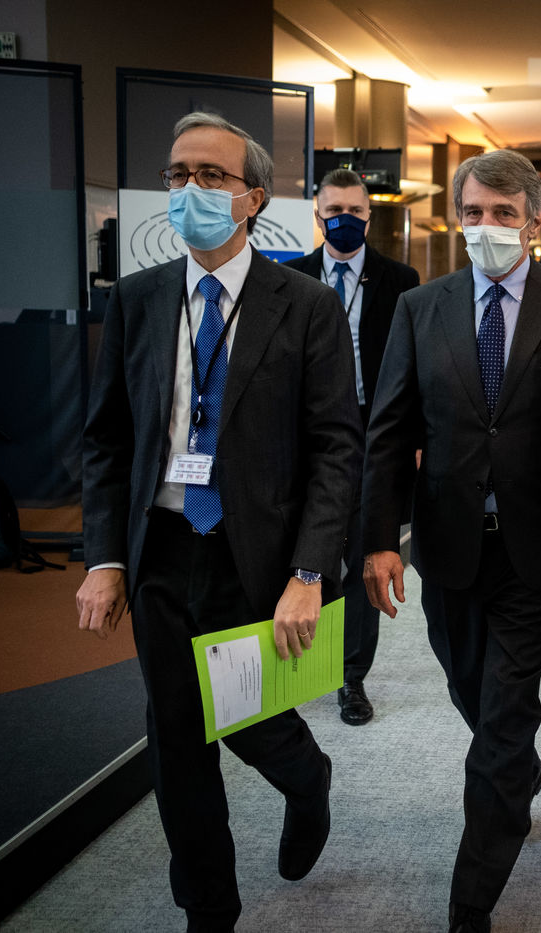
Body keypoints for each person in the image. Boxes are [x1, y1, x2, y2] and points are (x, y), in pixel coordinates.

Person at [76, 111, 361, 930]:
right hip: (162, 549)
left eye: (211, 175)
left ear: (253, 198)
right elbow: (108, 440)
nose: (189, 189)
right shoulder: (136, 300)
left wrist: (309, 572)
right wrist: (105, 558)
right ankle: (209, 906)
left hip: (256, 552)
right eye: (177, 174)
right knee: (176, 735)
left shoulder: (305, 305)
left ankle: (308, 780)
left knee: (253, 721)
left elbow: (336, 448)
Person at [361, 149, 541, 933]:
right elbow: (391, 427)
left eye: (504, 214)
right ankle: (519, 771)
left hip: (535, 550)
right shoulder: (421, 307)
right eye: (473, 212)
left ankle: (471, 898)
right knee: (469, 689)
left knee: (504, 716)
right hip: (449, 543)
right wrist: (380, 537)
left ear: (534, 222)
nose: (486, 226)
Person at [285, 168, 420, 723]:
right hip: (308, 436)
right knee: (306, 555)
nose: (345, 219)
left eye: (355, 211)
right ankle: (297, 667)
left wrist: (414, 437)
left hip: (374, 435)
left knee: (366, 555)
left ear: (370, 215)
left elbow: (413, 368)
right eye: (335, 210)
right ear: (318, 216)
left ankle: (351, 677)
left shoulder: (401, 280)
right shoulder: (290, 279)